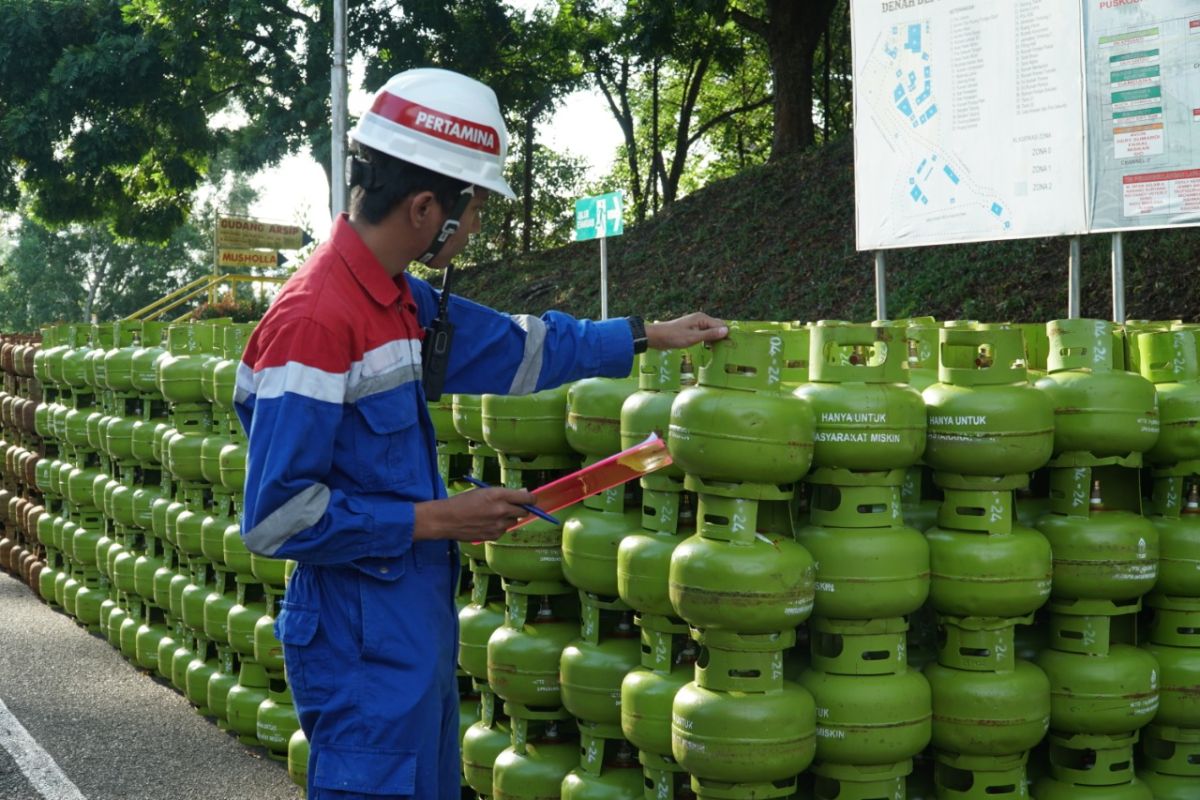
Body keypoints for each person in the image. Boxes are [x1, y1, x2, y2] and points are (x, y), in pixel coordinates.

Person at [234, 67, 728, 800]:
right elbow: (275, 518)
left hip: (407, 614)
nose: (478, 226)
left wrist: (646, 336)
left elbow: (520, 348)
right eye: (476, 209)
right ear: (428, 206)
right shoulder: (316, 320)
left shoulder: (400, 301)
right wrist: (440, 519)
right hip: (356, 631)